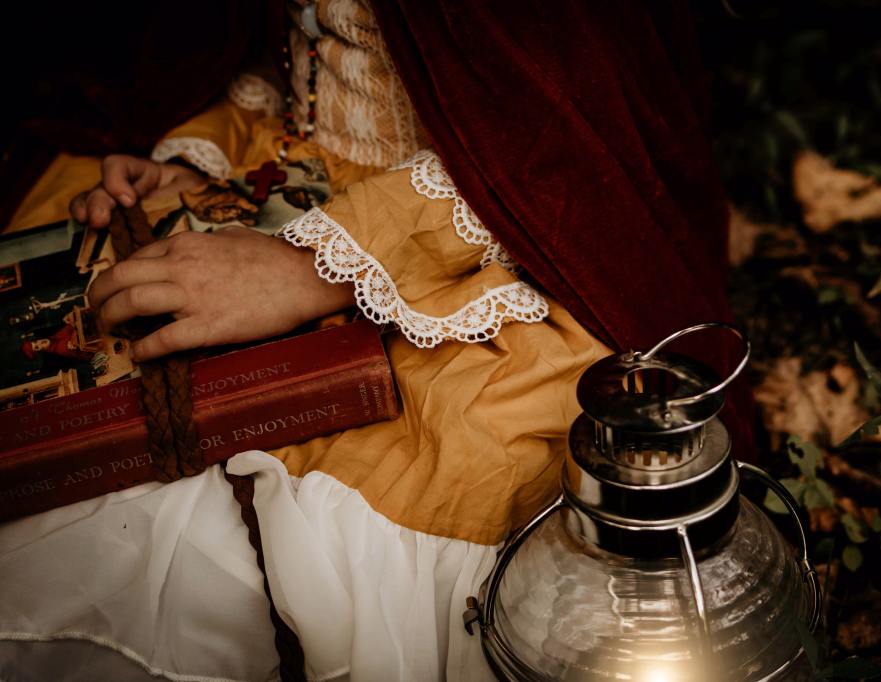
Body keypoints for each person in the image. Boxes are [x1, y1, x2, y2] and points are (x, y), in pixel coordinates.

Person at [0, 2, 749, 680]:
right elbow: (295, 59)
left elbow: (560, 131)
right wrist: (199, 157)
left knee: (473, 439)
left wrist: (308, 267)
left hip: (483, 214)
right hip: (297, 166)